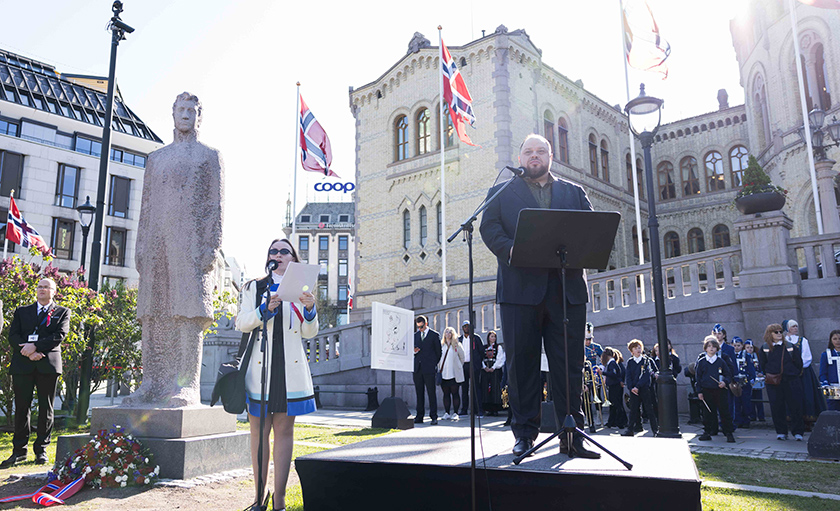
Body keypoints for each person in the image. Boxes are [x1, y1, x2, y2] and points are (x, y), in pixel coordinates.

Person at [479, 133, 599, 459]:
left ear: (550, 157)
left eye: (541, 151)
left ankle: (572, 437)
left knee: (569, 367)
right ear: (520, 158)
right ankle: (524, 437)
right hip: (519, 293)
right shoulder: (501, 192)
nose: (534, 156)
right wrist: (511, 250)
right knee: (521, 367)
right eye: (528, 152)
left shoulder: (574, 192)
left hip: (566, 292)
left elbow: (592, 231)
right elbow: (488, 228)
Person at [129, 91, 224, 408]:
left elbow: (215, 205)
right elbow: (145, 206)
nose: (185, 114)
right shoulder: (156, 158)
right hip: (157, 241)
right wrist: (141, 244)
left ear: (200, 116)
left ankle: (187, 386)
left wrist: (211, 244)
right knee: (153, 312)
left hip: (191, 243)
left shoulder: (209, 156)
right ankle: (151, 384)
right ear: (172, 114)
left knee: (188, 312)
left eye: (191, 110)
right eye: (180, 109)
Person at [235, 239, 318, 511]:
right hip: (260, 368)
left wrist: (309, 309)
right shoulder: (253, 287)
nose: (279, 254)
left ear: (293, 258)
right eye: (274, 251)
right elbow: (242, 323)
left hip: (289, 369)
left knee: (284, 431)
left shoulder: (302, 287)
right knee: (259, 434)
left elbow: (309, 332)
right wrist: (263, 310)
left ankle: (279, 500)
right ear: (268, 257)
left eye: (285, 251)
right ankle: (259, 498)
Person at [2, 278, 70, 468]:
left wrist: (36, 347)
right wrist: (28, 351)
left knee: (45, 408)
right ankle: (19, 451)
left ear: (54, 291)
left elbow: (59, 336)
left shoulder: (62, 312)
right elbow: (13, 335)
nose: (42, 289)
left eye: (46, 287)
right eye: (39, 286)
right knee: (21, 407)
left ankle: (41, 450)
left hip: (47, 364)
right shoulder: (22, 311)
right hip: (23, 364)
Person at [758, 323, 805, 441]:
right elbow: (763, 365)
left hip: (791, 380)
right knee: (776, 407)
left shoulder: (790, 346)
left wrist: (793, 373)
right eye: (776, 332)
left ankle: (798, 432)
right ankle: (781, 431)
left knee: (795, 406)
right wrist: (770, 374)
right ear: (770, 334)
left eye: (780, 332)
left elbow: (799, 363)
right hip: (773, 382)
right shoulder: (765, 348)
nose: (779, 334)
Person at [783, 319, 826, 427]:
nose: (795, 328)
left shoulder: (802, 340)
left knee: (806, 395)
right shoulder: (783, 341)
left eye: (796, 326)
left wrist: (798, 367)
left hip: (803, 372)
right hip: (788, 373)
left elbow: (807, 357)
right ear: (787, 328)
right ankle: (791, 420)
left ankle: (807, 419)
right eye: (793, 326)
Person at [695, 336, 736, 443]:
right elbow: (698, 378)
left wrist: (724, 382)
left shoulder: (721, 362)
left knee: (724, 411)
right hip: (706, 390)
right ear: (705, 348)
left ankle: (728, 433)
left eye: (714, 347)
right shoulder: (702, 362)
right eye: (709, 346)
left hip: (720, 391)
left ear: (717, 349)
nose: (711, 348)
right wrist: (699, 391)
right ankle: (707, 432)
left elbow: (728, 374)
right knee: (707, 412)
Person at [622, 339, 658, 437]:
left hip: (644, 389)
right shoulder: (630, 362)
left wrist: (638, 386)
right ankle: (630, 430)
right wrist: (631, 387)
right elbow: (628, 376)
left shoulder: (646, 360)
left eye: (639, 348)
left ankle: (655, 430)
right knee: (633, 410)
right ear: (631, 351)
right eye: (635, 348)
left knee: (649, 409)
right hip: (634, 390)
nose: (638, 350)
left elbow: (646, 375)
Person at [413, 315, 442, 425]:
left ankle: (433, 416)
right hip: (418, 369)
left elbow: (438, 352)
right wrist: (414, 351)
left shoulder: (434, 335)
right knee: (419, 393)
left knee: (431, 393)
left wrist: (433, 364)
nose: (419, 329)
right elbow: (412, 350)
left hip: (429, 369)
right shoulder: (415, 335)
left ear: (426, 324)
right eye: (418, 327)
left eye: (421, 327)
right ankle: (419, 416)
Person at [438, 326, 465, 420]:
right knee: (446, 394)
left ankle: (456, 413)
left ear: (453, 334)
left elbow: (462, 357)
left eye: (450, 332)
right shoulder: (441, 345)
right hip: (444, 373)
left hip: (454, 374)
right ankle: (447, 412)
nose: (448, 334)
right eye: (446, 332)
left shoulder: (457, 345)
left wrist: (458, 367)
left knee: (455, 393)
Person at [458, 320, 484, 416]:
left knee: (476, 387)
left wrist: (477, 363)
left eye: (468, 326)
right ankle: (464, 409)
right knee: (464, 388)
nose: (466, 328)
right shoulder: (460, 339)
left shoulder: (476, 338)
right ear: (462, 328)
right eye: (464, 326)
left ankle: (478, 410)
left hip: (474, 366)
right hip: (463, 366)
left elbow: (481, 352)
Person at [479, 331, 506, 416]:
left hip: (495, 370)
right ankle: (488, 408)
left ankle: (495, 408)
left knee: (495, 388)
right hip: (486, 369)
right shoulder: (484, 347)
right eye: (491, 336)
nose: (493, 338)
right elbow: (481, 358)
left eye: (494, 337)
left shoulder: (498, 347)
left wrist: (493, 367)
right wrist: (484, 367)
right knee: (486, 388)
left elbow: (500, 358)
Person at [731, 337, 756, 428]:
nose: (736, 347)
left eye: (738, 345)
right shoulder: (730, 355)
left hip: (745, 381)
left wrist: (752, 378)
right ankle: (738, 420)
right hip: (735, 382)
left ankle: (746, 420)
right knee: (736, 402)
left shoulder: (746, 355)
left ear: (742, 346)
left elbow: (751, 368)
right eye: (734, 345)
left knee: (746, 402)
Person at [602, 348, 627, 429]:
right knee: (613, 404)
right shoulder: (612, 363)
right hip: (613, 385)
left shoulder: (612, 363)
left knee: (616, 404)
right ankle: (611, 422)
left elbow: (613, 374)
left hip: (614, 386)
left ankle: (621, 422)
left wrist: (602, 372)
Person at [818, 329, 840, 412]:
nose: (838, 341)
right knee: (833, 411)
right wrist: (825, 384)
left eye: (839, 339)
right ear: (831, 340)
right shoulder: (826, 354)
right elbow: (822, 373)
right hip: (832, 387)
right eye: (835, 339)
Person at [744, 340, 766, 421]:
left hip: (758, 380)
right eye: (747, 348)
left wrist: (761, 373)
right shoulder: (744, 357)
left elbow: (761, 367)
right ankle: (752, 415)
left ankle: (761, 416)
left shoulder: (756, 356)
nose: (749, 349)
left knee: (759, 398)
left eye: (751, 347)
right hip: (749, 379)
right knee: (750, 399)